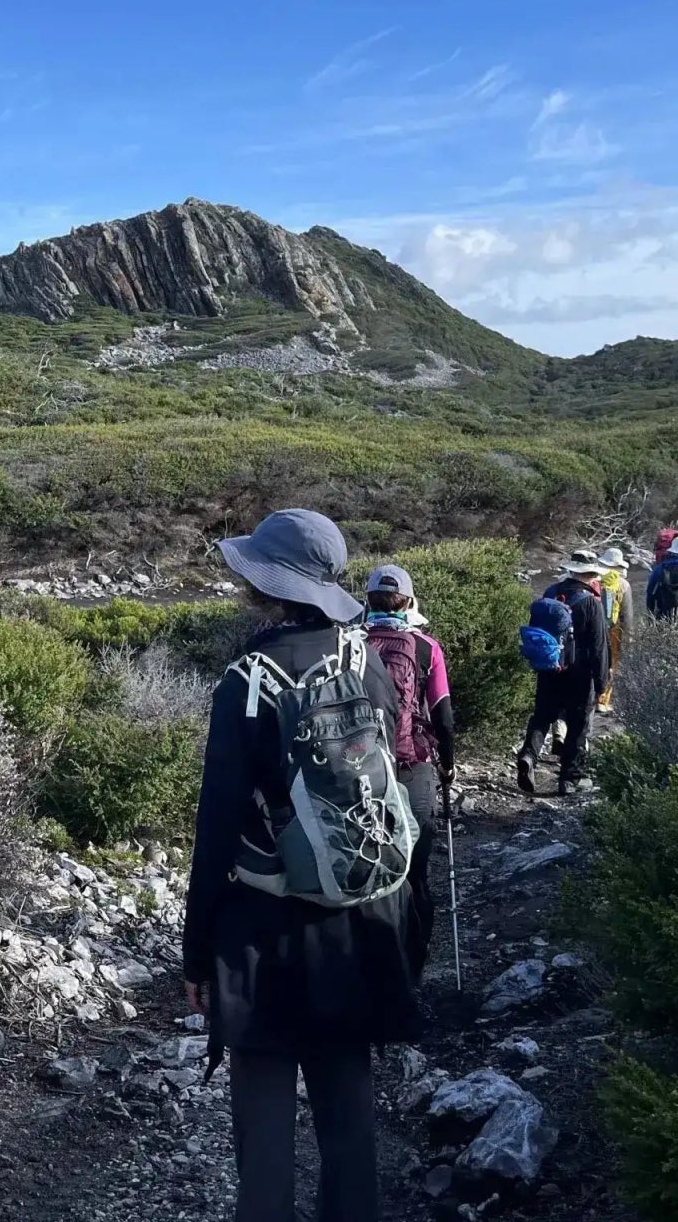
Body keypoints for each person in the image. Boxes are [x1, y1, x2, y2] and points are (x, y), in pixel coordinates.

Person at [184, 510, 418, 1222]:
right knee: (348, 1112)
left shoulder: (248, 680)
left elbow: (218, 822)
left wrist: (197, 953)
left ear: (265, 584)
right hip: (359, 912)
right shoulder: (367, 659)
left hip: (264, 924)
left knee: (264, 1125)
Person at [360, 563, 456, 979]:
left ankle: (366, 960)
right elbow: (443, 716)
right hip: (410, 765)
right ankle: (412, 968)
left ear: (367, 601)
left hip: (359, 769)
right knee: (414, 872)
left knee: (366, 865)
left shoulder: (349, 643)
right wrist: (447, 765)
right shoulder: (423, 647)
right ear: (410, 602)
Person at [516, 552, 610, 798]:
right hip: (579, 675)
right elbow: (599, 646)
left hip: (549, 669)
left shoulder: (550, 593)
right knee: (578, 725)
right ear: (590, 576)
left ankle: (529, 755)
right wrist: (602, 683)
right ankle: (569, 779)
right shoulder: (591, 602)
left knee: (542, 716)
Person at [595, 546, 633, 714]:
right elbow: (627, 615)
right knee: (611, 664)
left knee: (594, 660)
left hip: (594, 628)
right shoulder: (623, 584)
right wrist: (628, 637)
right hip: (614, 630)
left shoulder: (594, 579)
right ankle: (603, 700)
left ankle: (591, 696)